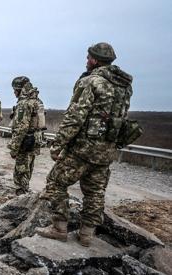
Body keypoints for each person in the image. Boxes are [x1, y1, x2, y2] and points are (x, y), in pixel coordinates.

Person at [36, 42, 134, 246]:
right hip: (107, 150)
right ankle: (87, 235)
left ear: (95, 60)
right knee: (95, 192)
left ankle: (59, 228)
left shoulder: (91, 82)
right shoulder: (124, 86)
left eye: (88, 57)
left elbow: (75, 117)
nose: (86, 61)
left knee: (55, 182)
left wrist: (58, 144)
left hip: (83, 149)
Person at [8, 76, 44, 195]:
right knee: (28, 167)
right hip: (35, 139)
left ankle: (21, 195)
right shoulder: (37, 101)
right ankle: (25, 191)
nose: (14, 92)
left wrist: (14, 147)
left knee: (21, 170)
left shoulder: (24, 103)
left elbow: (21, 127)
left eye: (15, 90)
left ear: (19, 89)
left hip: (25, 141)